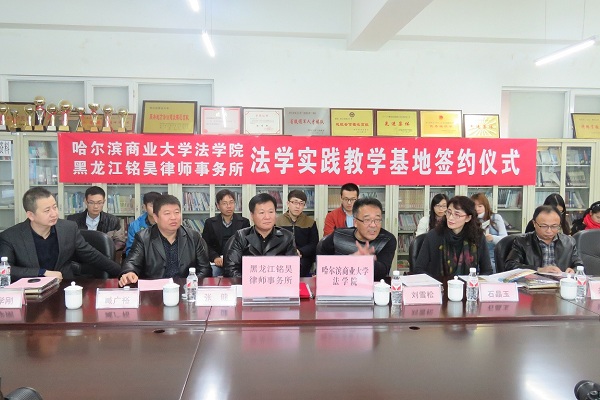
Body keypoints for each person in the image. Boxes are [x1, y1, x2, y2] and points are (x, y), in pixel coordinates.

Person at [0, 187, 122, 280]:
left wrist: (123, 272)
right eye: (47, 210)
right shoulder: (11, 237)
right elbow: (5, 270)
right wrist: (42, 273)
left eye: (55, 207)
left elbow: (91, 255)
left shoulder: (68, 229)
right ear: (31, 215)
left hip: (64, 288)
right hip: (30, 293)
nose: (54, 214)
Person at [119, 194, 212, 286]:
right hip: (154, 290)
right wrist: (129, 272)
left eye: (177, 212)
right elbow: (132, 262)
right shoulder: (143, 238)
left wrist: (189, 285)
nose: (173, 217)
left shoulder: (193, 237)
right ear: (156, 218)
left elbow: (205, 269)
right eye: (167, 213)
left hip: (186, 289)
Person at [317, 197, 397, 281]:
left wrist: (367, 262)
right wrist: (353, 260)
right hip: (340, 285)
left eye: (377, 220)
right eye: (367, 220)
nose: (373, 225)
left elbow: (382, 273)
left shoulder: (387, 239)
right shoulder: (338, 235)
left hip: (371, 287)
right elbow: (323, 264)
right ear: (355, 222)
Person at [414, 196, 492, 279]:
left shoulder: (478, 237)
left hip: (469, 285)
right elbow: (419, 269)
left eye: (457, 214)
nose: (450, 218)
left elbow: (487, 271)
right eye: (449, 212)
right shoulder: (434, 236)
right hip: (440, 284)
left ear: (468, 218)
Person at [223, 193, 296, 278]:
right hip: (248, 284)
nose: (267, 217)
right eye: (261, 213)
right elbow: (231, 269)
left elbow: (294, 269)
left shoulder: (287, 237)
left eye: (271, 212)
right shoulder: (241, 236)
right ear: (252, 216)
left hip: (277, 283)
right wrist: (251, 282)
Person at [505, 205, 583, 274]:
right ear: (534, 223)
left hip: (560, 283)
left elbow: (579, 264)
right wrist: (538, 270)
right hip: (533, 283)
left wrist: (574, 270)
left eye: (554, 226)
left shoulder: (569, 242)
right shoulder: (522, 241)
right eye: (544, 226)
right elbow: (510, 265)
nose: (549, 231)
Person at [202, 189, 250, 276]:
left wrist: (234, 259)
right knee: (211, 275)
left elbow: (246, 245)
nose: (229, 206)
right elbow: (205, 244)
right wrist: (215, 257)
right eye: (224, 203)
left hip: (237, 263)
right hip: (217, 262)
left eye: (231, 202)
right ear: (218, 205)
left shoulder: (244, 222)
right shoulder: (210, 223)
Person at [276, 189, 319, 277]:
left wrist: (300, 252)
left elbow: (314, 244)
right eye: (295, 202)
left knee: (300, 266)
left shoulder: (310, 222)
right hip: (282, 257)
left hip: (303, 257)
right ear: (288, 203)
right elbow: (273, 242)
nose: (298, 206)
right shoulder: (277, 221)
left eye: (301, 203)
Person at [66, 186, 125, 250]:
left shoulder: (113, 220)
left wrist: (107, 250)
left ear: (104, 202)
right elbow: (67, 241)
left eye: (99, 203)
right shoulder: (73, 220)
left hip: (103, 254)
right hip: (80, 254)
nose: (96, 206)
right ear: (85, 201)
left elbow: (120, 242)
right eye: (91, 202)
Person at [471, 192, 507, 272]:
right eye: (474, 206)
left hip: (492, 256)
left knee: (491, 267)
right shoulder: (469, 218)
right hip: (474, 255)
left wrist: (492, 238)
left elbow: (505, 239)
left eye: (480, 206)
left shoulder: (495, 218)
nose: (477, 209)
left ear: (485, 206)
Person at [124, 191, 161, 256]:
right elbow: (130, 250)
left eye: (158, 205)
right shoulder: (135, 226)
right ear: (144, 207)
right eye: (152, 206)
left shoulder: (167, 223)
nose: (156, 209)